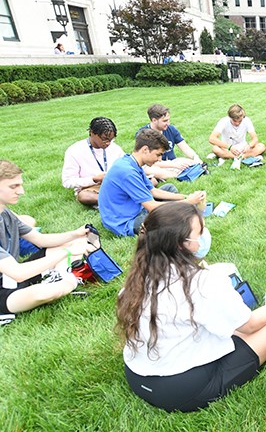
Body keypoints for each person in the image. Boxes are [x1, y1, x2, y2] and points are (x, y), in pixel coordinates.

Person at [117, 202, 266, 412]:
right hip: (181, 390)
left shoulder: (140, 275)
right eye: (199, 232)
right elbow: (250, 325)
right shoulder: (202, 283)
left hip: (137, 375)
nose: (203, 236)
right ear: (180, 244)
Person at [0, 160, 96, 316]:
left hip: (13, 277)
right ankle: (67, 281)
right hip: (5, 286)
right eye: (13, 187)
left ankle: (60, 280)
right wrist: (67, 251)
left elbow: (40, 239)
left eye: (20, 185)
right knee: (42, 294)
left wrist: (75, 234)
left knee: (78, 242)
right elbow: (18, 272)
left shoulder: (5, 213)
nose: (21, 191)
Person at [99, 129, 206, 237]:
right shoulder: (127, 172)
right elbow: (151, 206)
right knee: (169, 220)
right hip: (126, 221)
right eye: (158, 154)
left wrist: (185, 197)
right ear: (145, 149)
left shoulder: (131, 162)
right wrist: (188, 202)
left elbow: (153, 191)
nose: (160, 159)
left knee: (169, 188)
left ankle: (179, 209)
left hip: (136, 208)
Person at [61, 117, 125, 207]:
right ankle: (117, 200)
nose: (108, 143)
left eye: (111, 139)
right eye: (104, 139)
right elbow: (67, 182)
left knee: (151, 181)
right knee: (84, 196)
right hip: (92, 188)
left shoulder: (114, 148)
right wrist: (94, 179)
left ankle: (114, 200)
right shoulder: (74, 150)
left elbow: (125, 166)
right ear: (92, 133)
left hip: (114, 184)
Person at [137, 104, 202, 180]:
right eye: (165, 121)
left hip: (173, 162)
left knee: (191, 163)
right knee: (149, 169)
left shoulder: (171, 129)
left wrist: (196, 158)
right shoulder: (144, 134)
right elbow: (147, 160)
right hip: (153, 164)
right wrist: (173, 165)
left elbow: (185, 147)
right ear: (154, 120)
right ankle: (178, 175)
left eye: (168, 120)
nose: (168, 123)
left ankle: (181, 173)